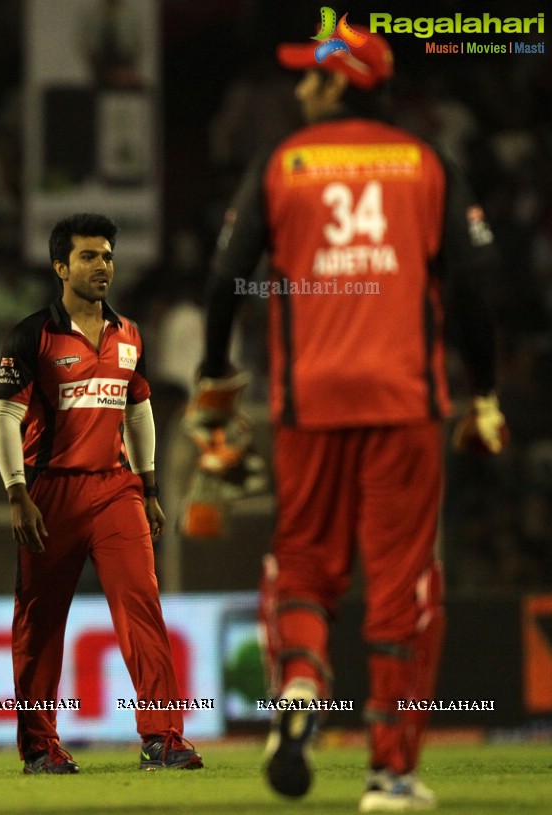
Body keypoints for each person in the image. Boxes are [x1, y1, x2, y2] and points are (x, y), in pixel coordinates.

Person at [198, 29, 505, 812]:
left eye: (311, 78)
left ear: (340, 86)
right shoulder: (427, 162)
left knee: (302, 563)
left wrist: (212, 367)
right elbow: (472, 286)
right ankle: (389, 774)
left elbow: (227, 273)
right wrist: (485, 391)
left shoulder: (284, 163)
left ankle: (300, 684)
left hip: (310, 400)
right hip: (404, 399)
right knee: (401, 579)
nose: (298, 89)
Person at [0, 212, 203, 775]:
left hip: (116, 490)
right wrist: (16, 493)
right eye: (89, 256)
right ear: (61, 266)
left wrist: (150, 485)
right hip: (50, 492)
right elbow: (5, 415)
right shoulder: (32, 334)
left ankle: (161, 737)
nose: (102, 266)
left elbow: (138, 408)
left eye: (107, 256)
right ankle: (39, 746)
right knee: (40, 621)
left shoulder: (129, 333)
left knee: (142, 607)